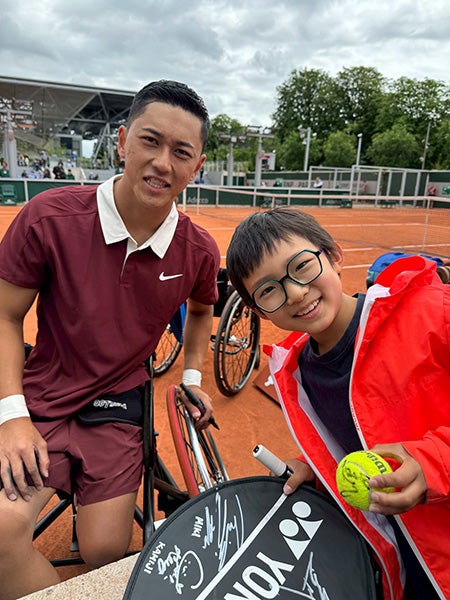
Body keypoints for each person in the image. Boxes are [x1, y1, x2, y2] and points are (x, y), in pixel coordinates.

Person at [0, 79, 220, 600]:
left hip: (119, 404)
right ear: (122, 141)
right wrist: (11, 416)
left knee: (104, 552)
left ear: (197, 166)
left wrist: (192, 376)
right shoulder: (48, 217)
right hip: (44, 397)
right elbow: (5, 315)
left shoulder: (198, 250)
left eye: (181, 152)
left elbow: (202, 310)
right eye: (150, 141)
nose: (162, 162)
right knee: (2, 535)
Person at [226, 208, 449, 600]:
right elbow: (358, 434)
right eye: (269, 290)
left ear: (333, 255)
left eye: (301, 266)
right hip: (407, 568)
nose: (296, 292)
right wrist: (318, 469)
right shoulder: (298, 373)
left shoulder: (433, 312)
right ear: (259, 311)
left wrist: (433, 463)